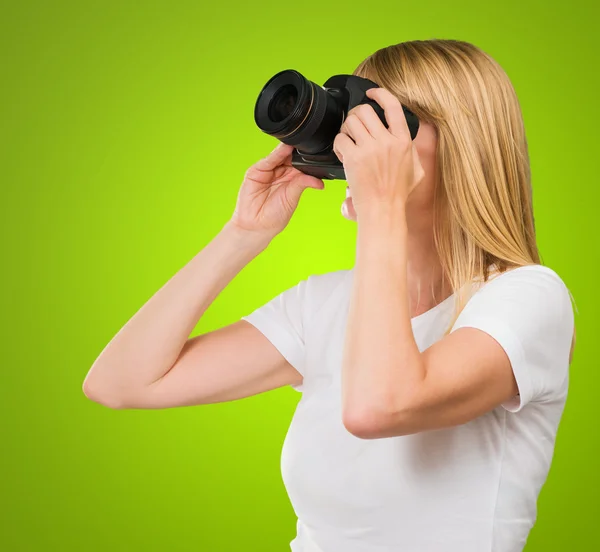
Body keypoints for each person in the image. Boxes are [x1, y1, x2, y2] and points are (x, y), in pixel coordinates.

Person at [82, 39, 576, 552]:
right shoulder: (323, 304)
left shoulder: (528, 299)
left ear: (463, 144)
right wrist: (244, 234)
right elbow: (121, 384)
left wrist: (381, 204)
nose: (350, 144)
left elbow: (379, 408)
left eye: (380, 123)